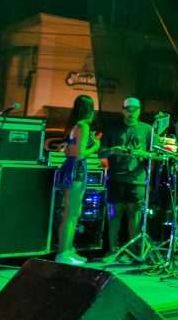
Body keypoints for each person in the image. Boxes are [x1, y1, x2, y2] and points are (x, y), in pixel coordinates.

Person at [99, 97, 154, 263]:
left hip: (137, 180)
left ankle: (132, 251)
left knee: (134, 214)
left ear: (139, 111)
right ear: (123, 111)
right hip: (116, 178)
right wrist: (112, 150)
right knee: (115, 214)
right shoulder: (112, 129)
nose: (131, 113)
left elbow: (156, 154)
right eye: (128, 110)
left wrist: (143, 153)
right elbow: (100, 153)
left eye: (134, 110)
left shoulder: (148, 129)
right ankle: (112, 250)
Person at [55, 94, 100, 265]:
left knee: (73, 212)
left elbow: (67, 150)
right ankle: (63, 253)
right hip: (77, 170)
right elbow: (80, 154)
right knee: (71, 213)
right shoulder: (83, 126)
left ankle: (68, 250)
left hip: (70, 168)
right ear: (89, 110)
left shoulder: (74, 126)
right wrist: (96, 145)